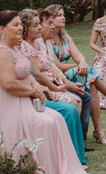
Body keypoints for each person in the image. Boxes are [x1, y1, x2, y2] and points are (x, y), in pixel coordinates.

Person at [0, 11, 99, 174]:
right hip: (5, 105)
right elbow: (9, 84)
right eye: (15, 25)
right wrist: (34, 91)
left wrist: (35, 85)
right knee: (48, 122)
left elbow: (26, 72)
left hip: (21, 101)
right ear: (2, 29)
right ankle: (40, 167)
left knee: (57, 118)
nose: (20, 28)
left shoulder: (14, 47)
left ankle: (59, 166)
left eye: (20, 24)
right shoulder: (0, 51)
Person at [42, 4, 106, 144]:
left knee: (92, 85)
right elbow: (58, 66)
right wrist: (80, 66)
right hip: (58, 75)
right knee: (88, 73)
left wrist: (82, 62)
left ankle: (99, 131)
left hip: (69, 72)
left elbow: (79, 56)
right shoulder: (47, 40)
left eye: (63, 15)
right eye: (59, 15)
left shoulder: (65, 37)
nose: (63, 18)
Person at [18, 10, 90, 164]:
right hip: (44, 86)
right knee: (73, 102)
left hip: (53, 82)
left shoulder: (38, 43)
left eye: (39, 24)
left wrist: (64, 82)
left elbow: (51, 66)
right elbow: (37, 74)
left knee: (79, 99)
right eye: (35, 25)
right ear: (25, 28)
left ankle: (74, 149)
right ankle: (67, 150)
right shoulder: (25, 46)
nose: (39, 28)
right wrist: (56, 88)